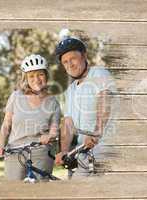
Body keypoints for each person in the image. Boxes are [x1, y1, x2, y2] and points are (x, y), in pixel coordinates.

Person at [54, 37, 116, 178]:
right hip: (82, 152)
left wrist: (96, 132)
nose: (70, 64)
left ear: (84, 56)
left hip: (102, 149)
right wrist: (64, 151)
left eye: (73, 58)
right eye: (65, 62)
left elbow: (104, 102)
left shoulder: (99, 74)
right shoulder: (70, 90)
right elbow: (68, 123)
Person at [0, 54, 61, 181]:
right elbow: (6, 125)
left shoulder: (53, 102)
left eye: (40, 74)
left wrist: (50, 136)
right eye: (31, 75)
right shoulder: (16, 97)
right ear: (26, 78)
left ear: (46, 75)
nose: (36, 79)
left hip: (41, 151)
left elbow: (54, 129)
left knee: (39, 191)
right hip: (15, 151)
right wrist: (1, 145)